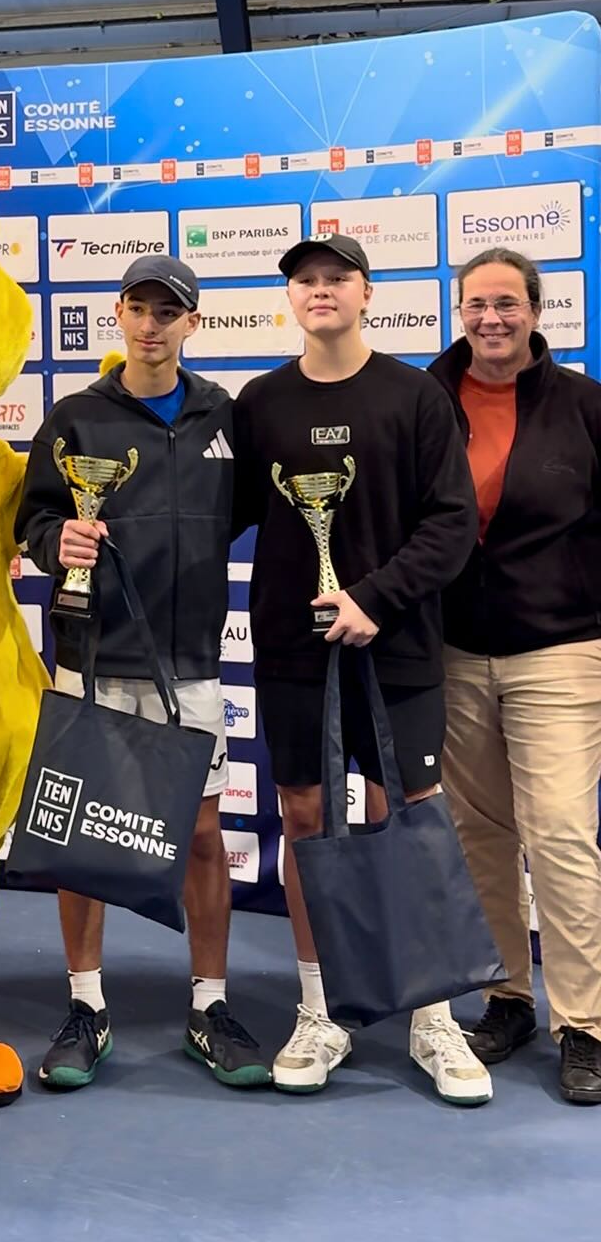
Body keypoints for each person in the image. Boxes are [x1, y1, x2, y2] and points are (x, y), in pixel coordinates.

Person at [233, 232, 488, 1105]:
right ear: (292, 299)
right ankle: (321, 1008)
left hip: (397, 647)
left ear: (368, 292)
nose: (320, 290)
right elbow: (218, 515)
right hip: (294, 654)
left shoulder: (415, 397)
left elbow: (452, 524)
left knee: (402, 817)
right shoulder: (260, 401)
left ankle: (432, 1019)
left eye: (336, 277)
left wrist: (373, 598)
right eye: (305, 280)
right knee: (303, 816)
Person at [17, 254, 269, 1091]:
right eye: (139, 308)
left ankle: (210, 1005)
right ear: (118, 316)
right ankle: (86, 1006)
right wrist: (60, 544)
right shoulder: (76, 417)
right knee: (83, 841)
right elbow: (34, 521)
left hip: (191, 665)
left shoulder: (222, 417)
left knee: (202, 838)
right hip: (91, 660)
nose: (153, 324)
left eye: (170, 311)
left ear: (193, 324)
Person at [430, 249, 601, 1106]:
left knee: (563, 831)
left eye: (507, 303)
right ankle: (508, 998)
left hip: (560, 648)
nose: (491, 318)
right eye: (476, 303)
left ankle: (588, 1023)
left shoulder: (583, 406)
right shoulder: (428, 398)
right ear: (457, 310)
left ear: (536, 311)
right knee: (481, 836)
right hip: (455, 651)